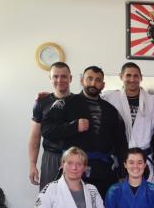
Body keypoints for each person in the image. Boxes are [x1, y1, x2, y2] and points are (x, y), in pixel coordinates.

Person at [40, 65, 128, 198]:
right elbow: (46, 130)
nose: (93, 83)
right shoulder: (65, 103)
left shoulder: (111, 110)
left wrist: (123, 171)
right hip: (74, 169)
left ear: (103, 85)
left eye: (98, 80)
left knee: (100, 207)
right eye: (89, 78)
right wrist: (73, 127)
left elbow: (121, 143)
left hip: (102, 172)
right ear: (82, 81)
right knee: (71, 207)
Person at [102, 62, 154, 182]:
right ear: (121, 76)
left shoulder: (153, 101)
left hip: (144, 158)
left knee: (145, 191)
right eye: (128, 75)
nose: (132, 79)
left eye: (136, 76)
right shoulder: (110, 98)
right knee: (120, 191)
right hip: (120, 157)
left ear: (141, 77)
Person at [28, 62, 72, 189]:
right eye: (55, 76)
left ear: (70, 78)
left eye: (64, 76)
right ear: (50, 78)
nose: (59, 80)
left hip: (74, 158)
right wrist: (32, 164)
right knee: (49, 197)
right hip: (50, 157)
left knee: (74, 198)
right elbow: (35, 137)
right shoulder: (41, 103)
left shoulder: (79, 101)